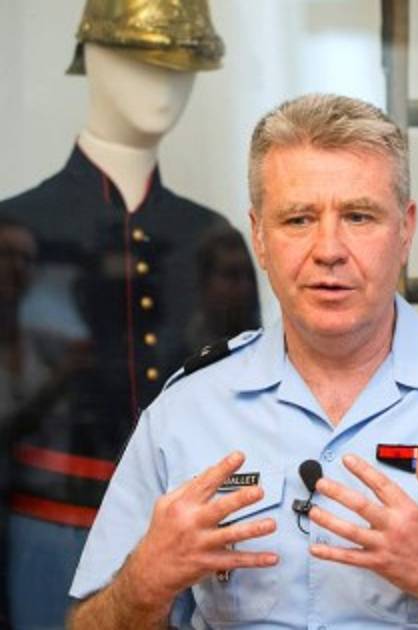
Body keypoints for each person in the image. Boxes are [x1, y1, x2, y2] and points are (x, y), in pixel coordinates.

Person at [66, 93, 418, 629]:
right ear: (259, 237)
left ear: (406, 230)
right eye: (298, 220)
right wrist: (144, 585)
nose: (328, 249)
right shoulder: (186, 409)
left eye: (358, 216)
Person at [0, 1, 255, 626]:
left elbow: (246, 414)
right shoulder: (17, 231)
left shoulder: (211, 238)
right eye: (142, 61)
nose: (164, 86)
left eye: (178, 67)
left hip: (193, 547)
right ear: (93, 56)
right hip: (50, 534)